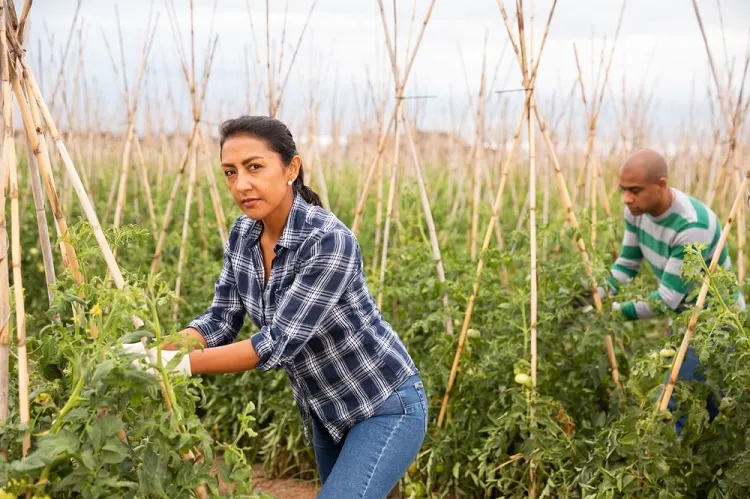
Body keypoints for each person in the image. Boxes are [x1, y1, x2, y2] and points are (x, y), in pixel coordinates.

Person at [123, 115, 427, 498]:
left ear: (291, 168)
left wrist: (170, 366)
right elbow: (220, 320)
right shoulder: (243, 234)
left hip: (384, 403)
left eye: (254, 167)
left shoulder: (327, 240)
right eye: (230, 172)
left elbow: (277, 343)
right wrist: (157, 349)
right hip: (325, 411)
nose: (241, 184)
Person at [593, 148, 746, 433]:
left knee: (679, 405)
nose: (627, 199)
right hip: (684, 319)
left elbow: (667, 301)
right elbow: (626, 264)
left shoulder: (691, 225)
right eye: (623, 190)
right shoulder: (636, 213)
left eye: (635, 190)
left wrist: (609, 314)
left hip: (715, 322)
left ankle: (683, 471)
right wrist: (596, 294)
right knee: (706, 405)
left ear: (661, 185)